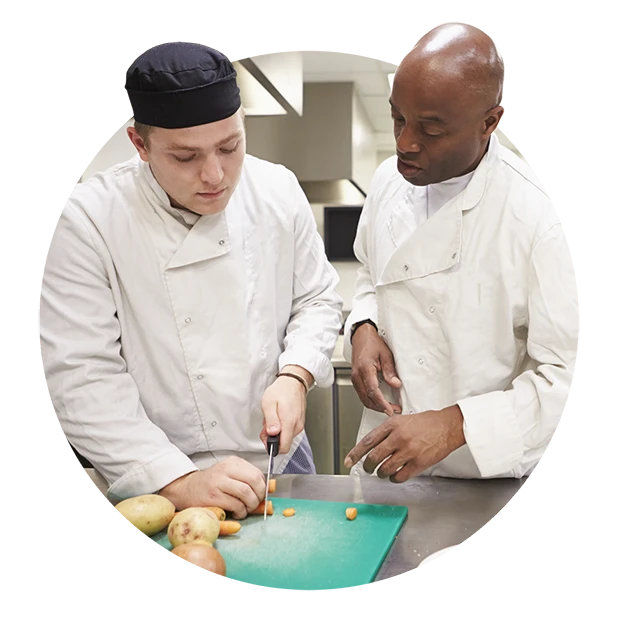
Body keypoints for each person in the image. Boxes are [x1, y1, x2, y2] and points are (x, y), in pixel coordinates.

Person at [40, 42, 343, 517]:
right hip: (157, 471)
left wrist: (296, 374)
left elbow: (317, 299)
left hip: (276, 459)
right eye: (185, 157)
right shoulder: (89, 220)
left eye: (230, 146)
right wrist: (177, 480)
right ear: (140, 145)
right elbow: (82, 374)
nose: (215, 175)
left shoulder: (277, 190)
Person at [342, 23, 579, 482]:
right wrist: (364, 327)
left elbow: (565, 378)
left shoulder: (539, 218)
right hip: (382, 464)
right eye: (397, 119)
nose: (404, 143)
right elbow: (370, 272)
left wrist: (455, 424)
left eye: (430, 129)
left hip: (482, 475)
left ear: (489, 122)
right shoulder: (388, 182)